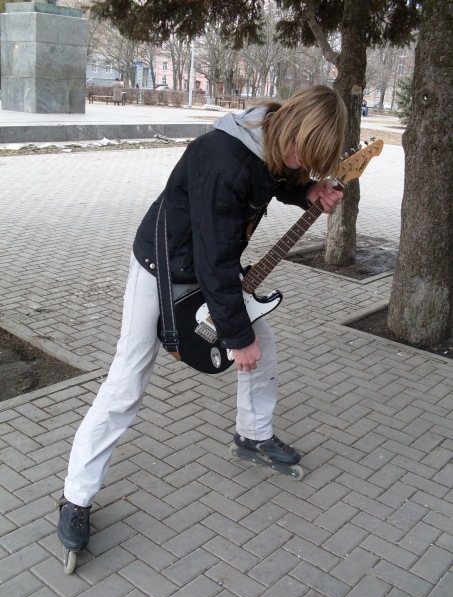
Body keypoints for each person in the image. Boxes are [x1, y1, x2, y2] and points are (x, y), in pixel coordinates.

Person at [57, 84, 347, 554]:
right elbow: (216, 264)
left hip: (207, 266)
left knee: (264, 345)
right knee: (127, 381)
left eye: (310, 162)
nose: (299, 162)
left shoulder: (271, 141)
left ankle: (253, 435)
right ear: (290, 127)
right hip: (161, 267)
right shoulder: (223, 161)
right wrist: (236, 337)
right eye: (302, 153)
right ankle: (76, 496)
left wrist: (306, 191)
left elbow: (274, 179)